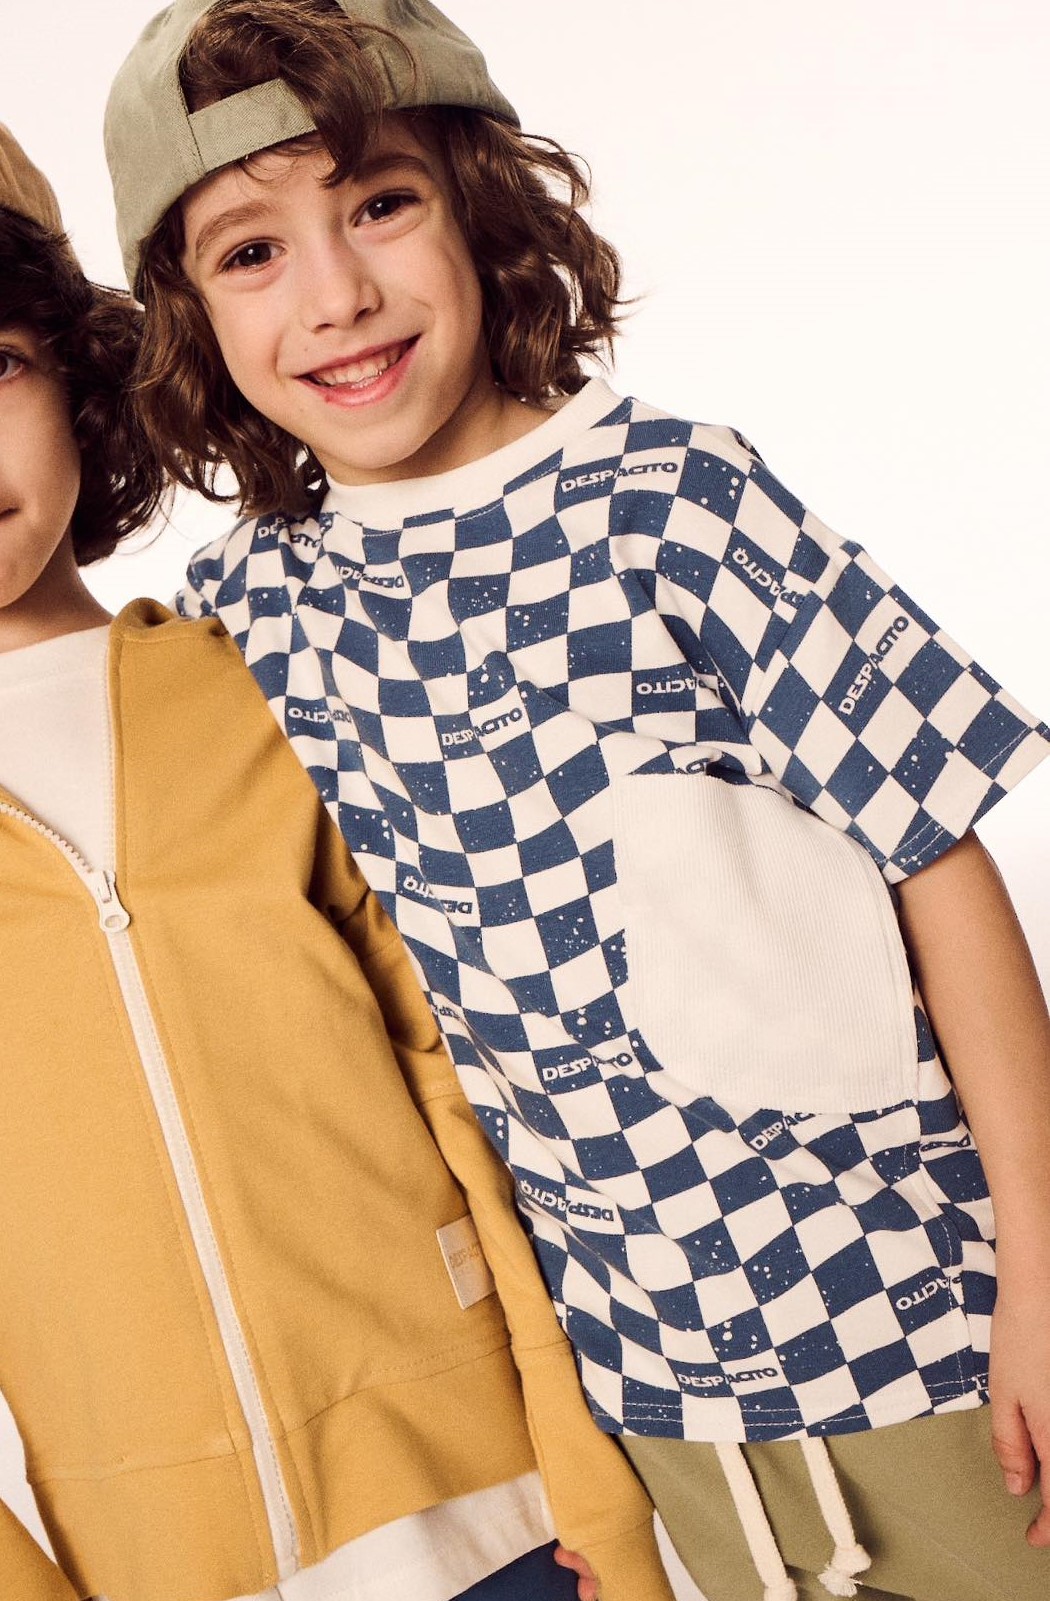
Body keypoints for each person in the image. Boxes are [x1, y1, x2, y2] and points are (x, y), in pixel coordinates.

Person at [102, 2, 1050, 1596]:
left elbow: (933, 854)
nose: (335, 296)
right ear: (189, 312)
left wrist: (1038, 1260)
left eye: (379, 204)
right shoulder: (252, 607)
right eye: (251, 253)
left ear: (479, 209)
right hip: (649, 1389)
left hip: (924, 1312)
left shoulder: (674, 497)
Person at [0, 123, 672, 1601]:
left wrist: (590, 1478)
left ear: (74, 373)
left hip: (500, 1518)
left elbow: (461, 1077)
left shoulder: (258, 678)